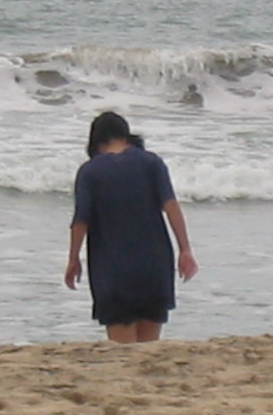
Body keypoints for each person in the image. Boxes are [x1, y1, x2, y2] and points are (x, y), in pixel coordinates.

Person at [65, 112, 198, 344]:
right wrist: (185, 250)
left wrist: (73, 259)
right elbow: (171, 206)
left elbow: (81, 221)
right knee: (148, 349)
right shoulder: (152, 163)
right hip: (155, 265)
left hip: (113, 270)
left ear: (95, 140)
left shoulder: (90, 172)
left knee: (123, 351)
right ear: (126, 135)